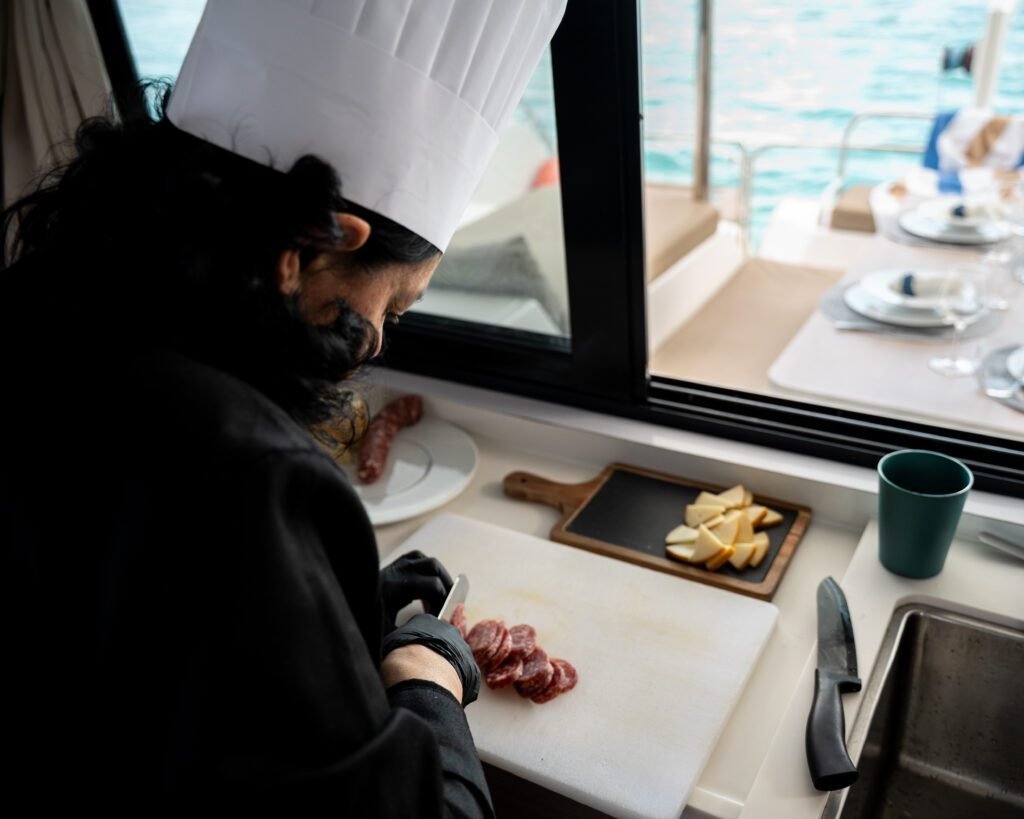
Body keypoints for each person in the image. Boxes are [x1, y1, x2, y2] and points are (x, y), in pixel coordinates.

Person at [0, 0, 566, 814]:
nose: (376, 342)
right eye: (392, 306)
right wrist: (427, 681)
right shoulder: (247, 473)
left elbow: (142, 645)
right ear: (308, 250)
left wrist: (339, 609)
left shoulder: (43, 324)